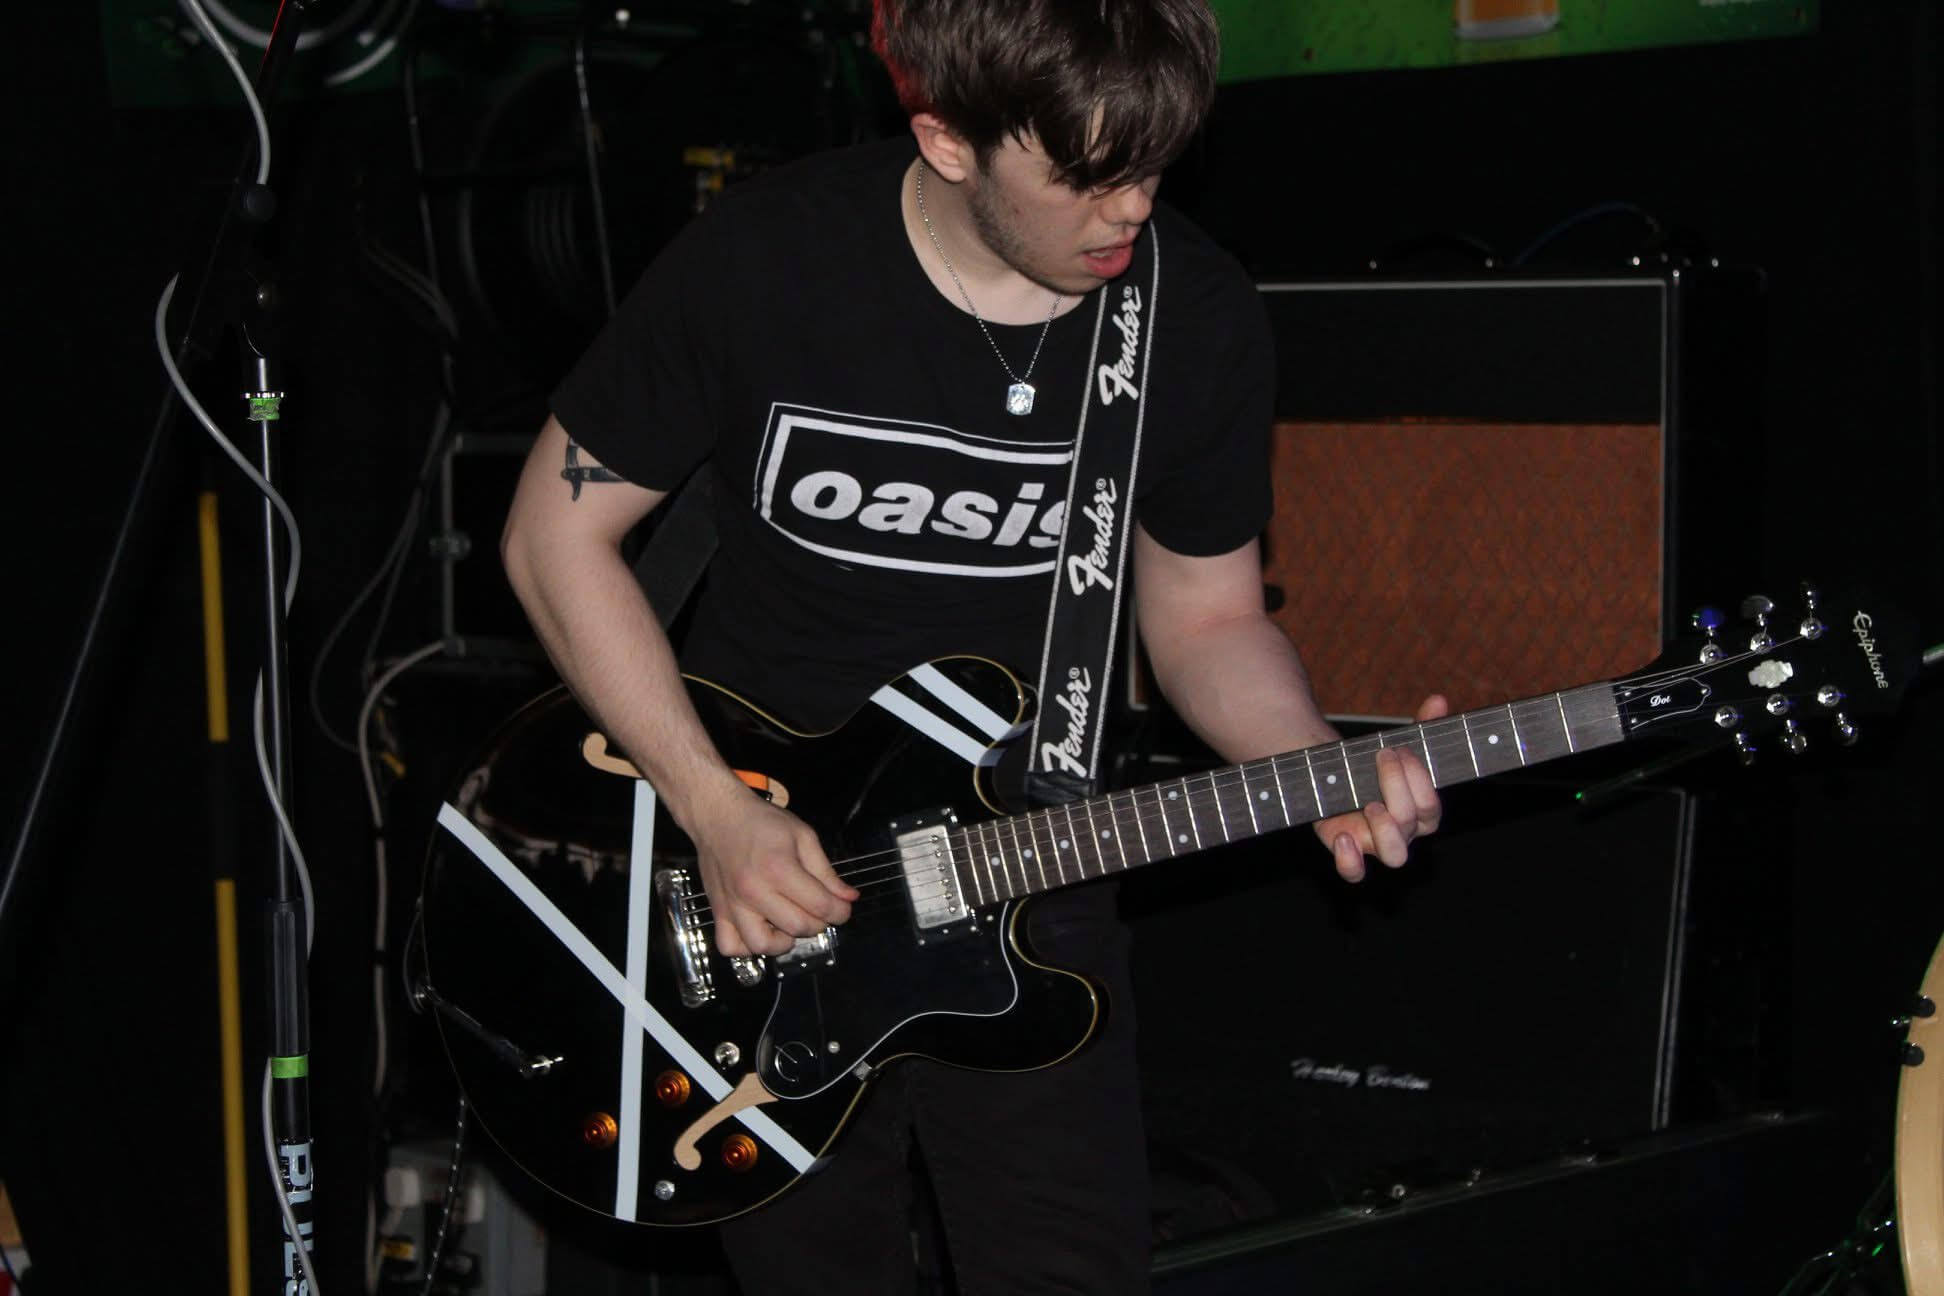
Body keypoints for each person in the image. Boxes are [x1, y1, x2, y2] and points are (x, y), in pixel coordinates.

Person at [499, 0, 1445, 1288]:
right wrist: (714, 809)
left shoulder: (1193, 317)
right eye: (1089, 175)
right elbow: (556, 540)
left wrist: (1310, 759)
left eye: (1156, 167)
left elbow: (1209, 618)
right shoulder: (772, 261)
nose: (1130, 211)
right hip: (765, 898)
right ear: (947, 140)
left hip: (1033, 873)